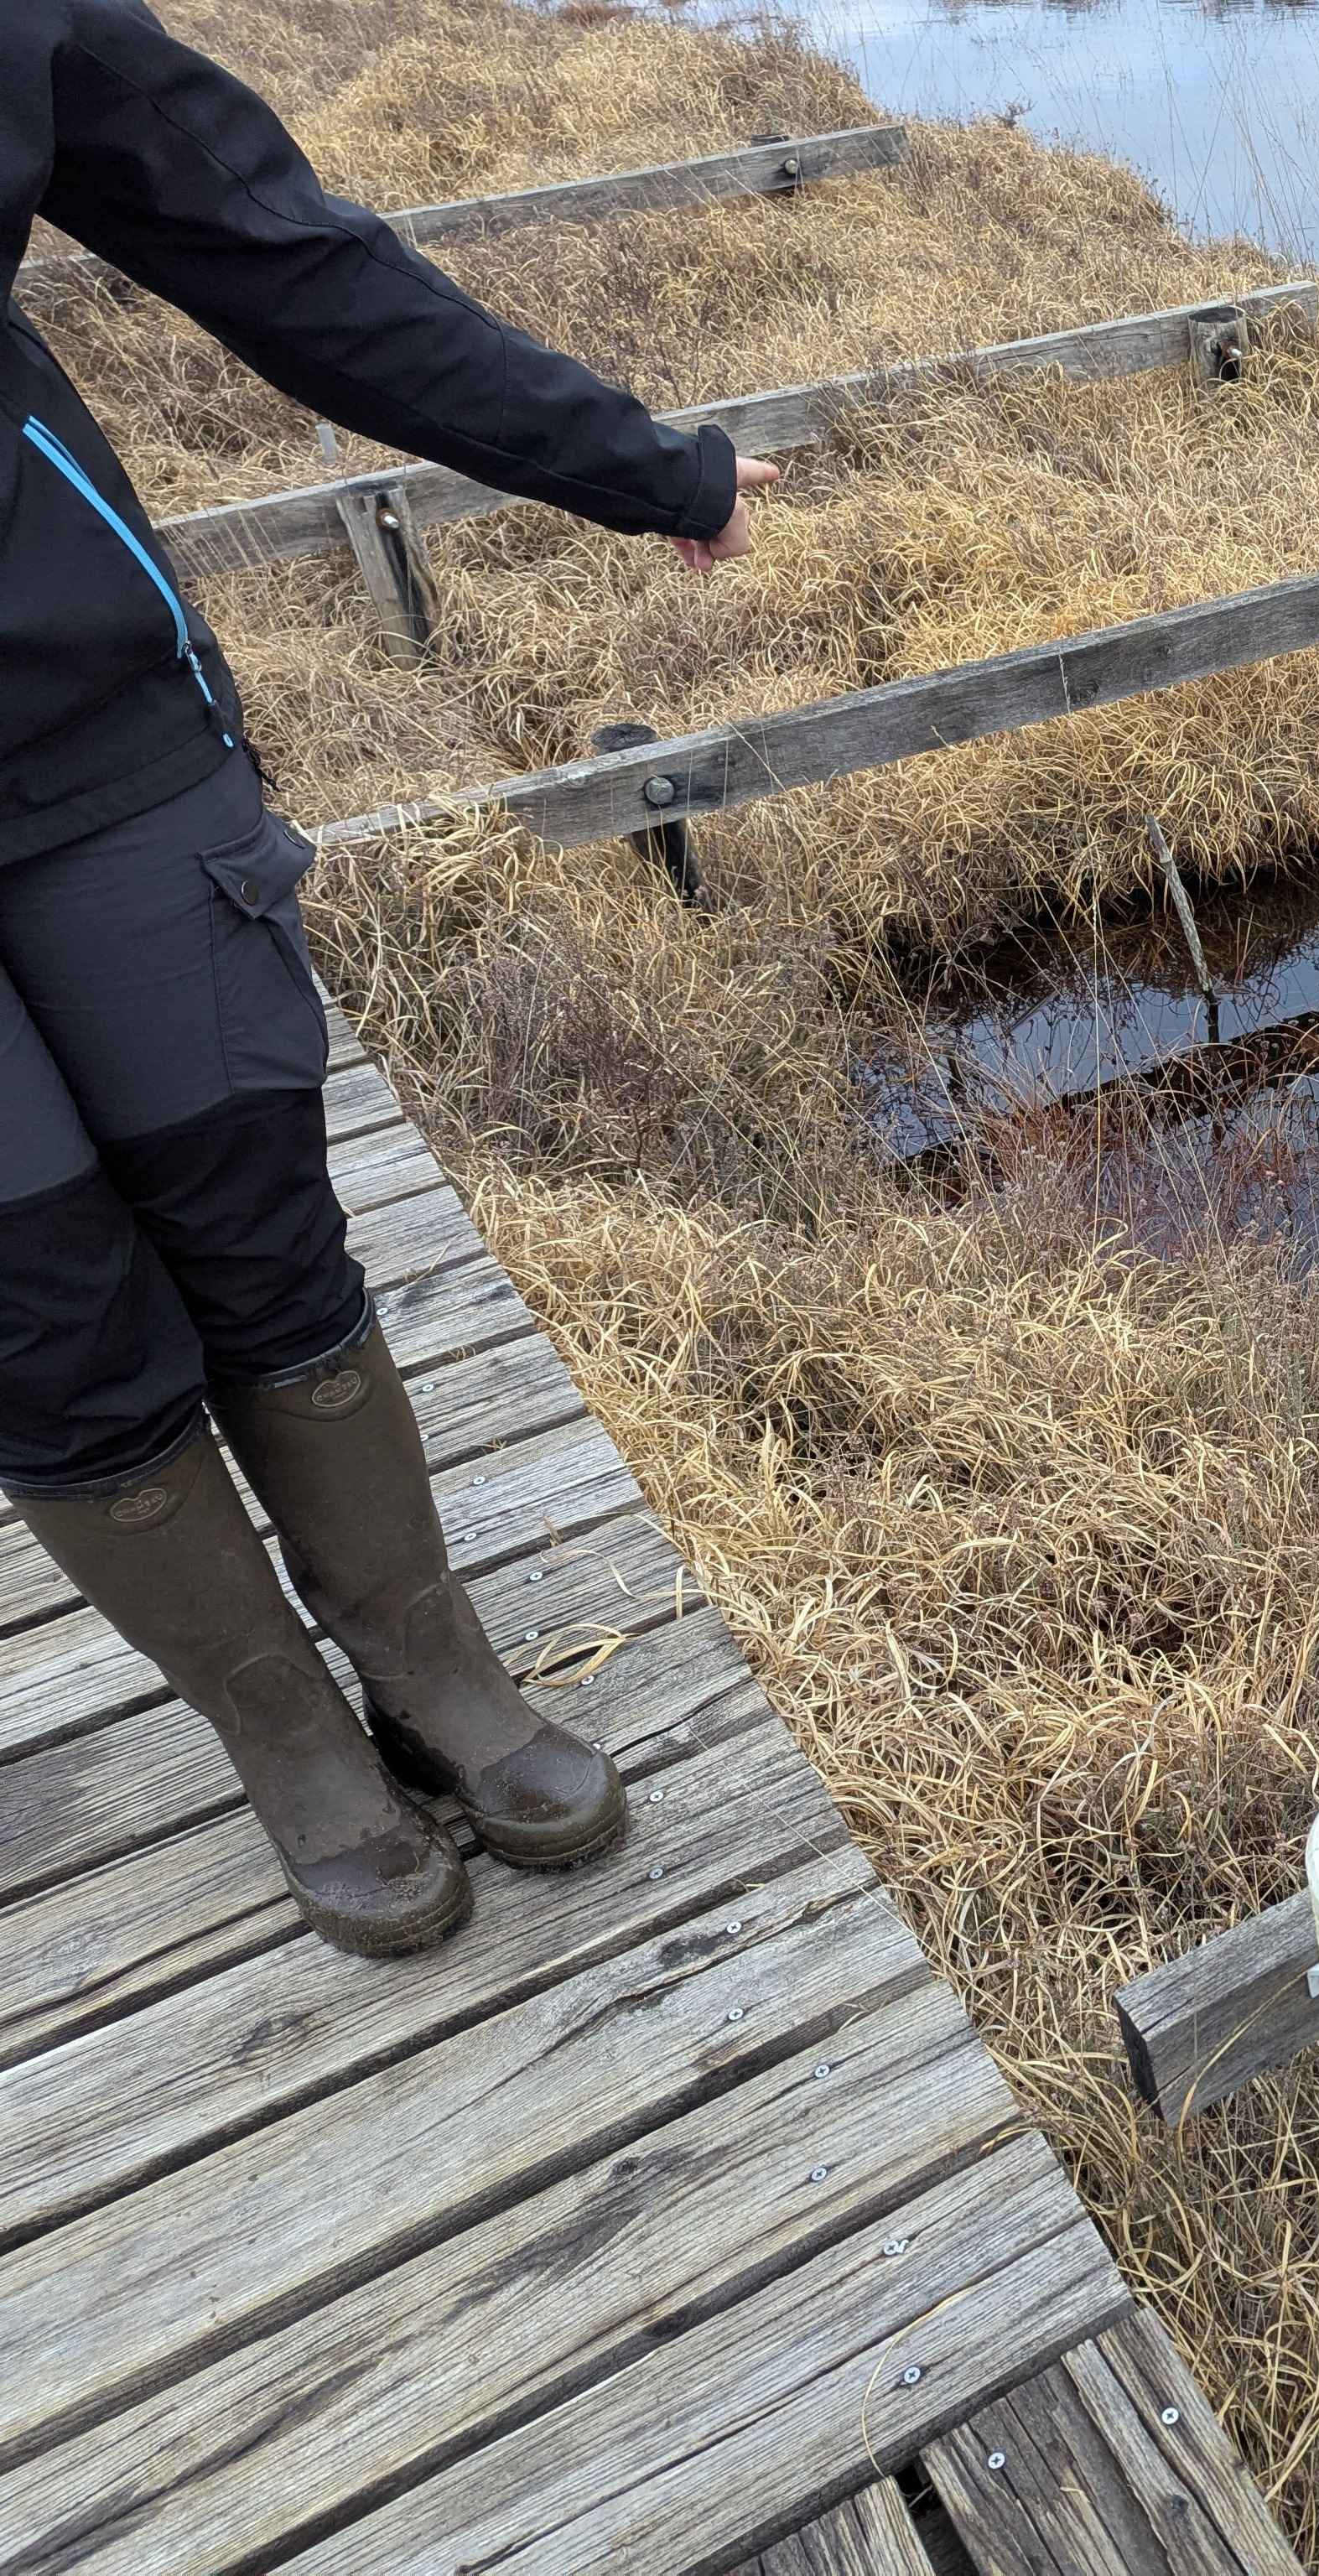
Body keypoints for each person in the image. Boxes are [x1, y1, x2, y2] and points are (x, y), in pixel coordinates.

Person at [3, 4, 780, 1955]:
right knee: (44, 1320)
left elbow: (273, 241)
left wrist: (636, 465)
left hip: (89, 726)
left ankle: (430, 1673)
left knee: (256, 1213)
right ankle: (287, 1743)